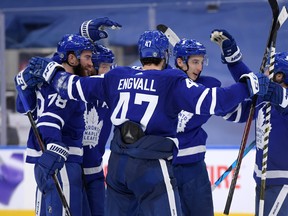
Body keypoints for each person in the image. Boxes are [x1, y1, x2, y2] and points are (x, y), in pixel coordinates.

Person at [18, 30, 271, 216]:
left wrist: (50, 70)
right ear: (166, 56)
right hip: (151, 165)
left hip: (118, 166)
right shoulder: (171, 80)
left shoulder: (117, 76)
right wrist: (247, 84)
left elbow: (72, 86)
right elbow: (217, 101)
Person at [171, 29, 250, 215]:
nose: (199, 68)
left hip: (194, 170)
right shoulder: (164, 84)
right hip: (164, 167)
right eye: (195, 62)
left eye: (201, 62)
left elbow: (235, 114)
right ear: (180, 62)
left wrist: (260, 108)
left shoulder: (206, 88)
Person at [15, 33, 94, 216]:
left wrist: (22, 83)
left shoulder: (47, 82)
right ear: (72, 58)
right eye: (87, 57)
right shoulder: (66, 88)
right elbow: (49, 120)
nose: (91, 63)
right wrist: (54, 145)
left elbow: (23, 106)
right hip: (61, 161)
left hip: (48, 161)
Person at [223, 51, 288, 216]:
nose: (264, 73)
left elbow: (279, 97)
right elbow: (234, 113)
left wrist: (255, 82)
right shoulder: (264, 99)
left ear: (279, 76)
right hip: (264, 180)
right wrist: (234, 62)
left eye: (268, 70)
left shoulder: (280, 98)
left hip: (283, 183)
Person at [82, 43, 115, 216]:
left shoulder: (111, 93)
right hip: (73, 170)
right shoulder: (76, 88)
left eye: (110, 67)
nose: (108, 72)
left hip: (95, 171)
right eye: (104, 67)